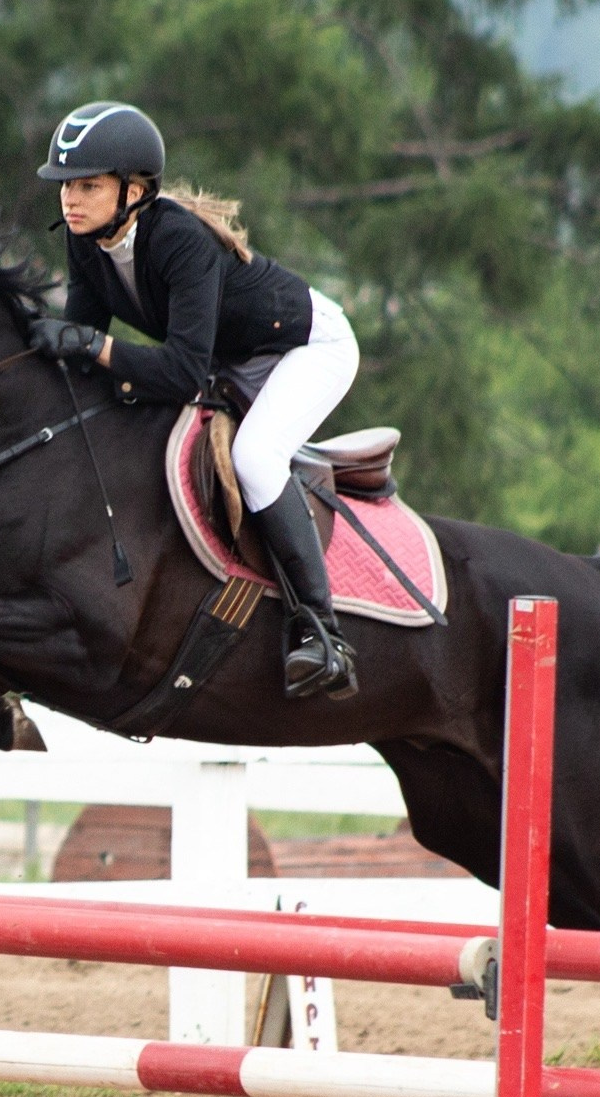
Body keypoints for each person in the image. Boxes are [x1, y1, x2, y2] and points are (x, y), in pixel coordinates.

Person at [27, 100, 360, 700]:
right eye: (65, 187)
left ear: (134, 190)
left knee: (256, 459)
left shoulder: (178, 239)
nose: (69, 200)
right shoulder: (86, 240)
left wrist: (91, 345)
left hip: (309, 349)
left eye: (87, 185)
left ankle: (322, 634)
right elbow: (82, 353)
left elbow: (179, 371)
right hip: (228, 361)